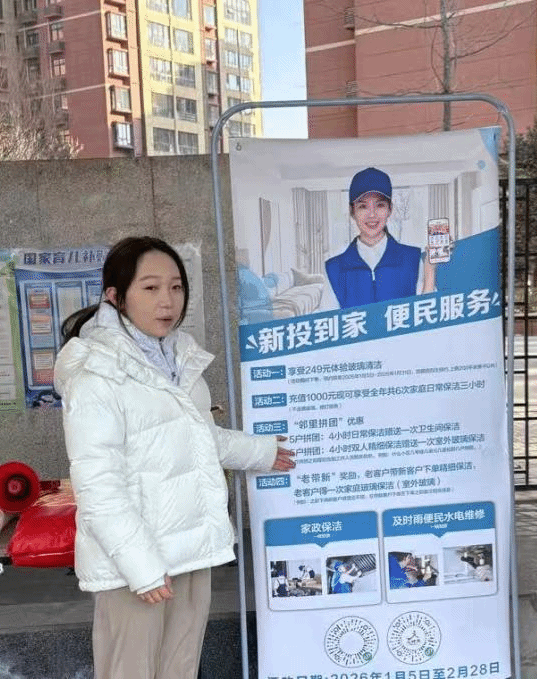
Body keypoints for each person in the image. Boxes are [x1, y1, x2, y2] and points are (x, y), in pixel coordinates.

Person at [55, 236, 296, 679]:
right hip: (134, 567)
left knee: (179, 670)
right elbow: (98, 487)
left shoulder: (177, 358)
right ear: (115, 296)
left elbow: (198, 438)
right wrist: (142, 568)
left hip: (188, 551)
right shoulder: (96, 375)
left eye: (176, 287)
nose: (166, 301)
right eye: (150, 288)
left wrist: (262, 451)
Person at [324, 167, 424, 307]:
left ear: (390, 209)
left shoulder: (413, 259)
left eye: (380, 205)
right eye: (363, 206)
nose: (372, 214)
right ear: (352, 211)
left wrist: (431, 271)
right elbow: (327, 317)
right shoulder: (334, 268)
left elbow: (428, 310)